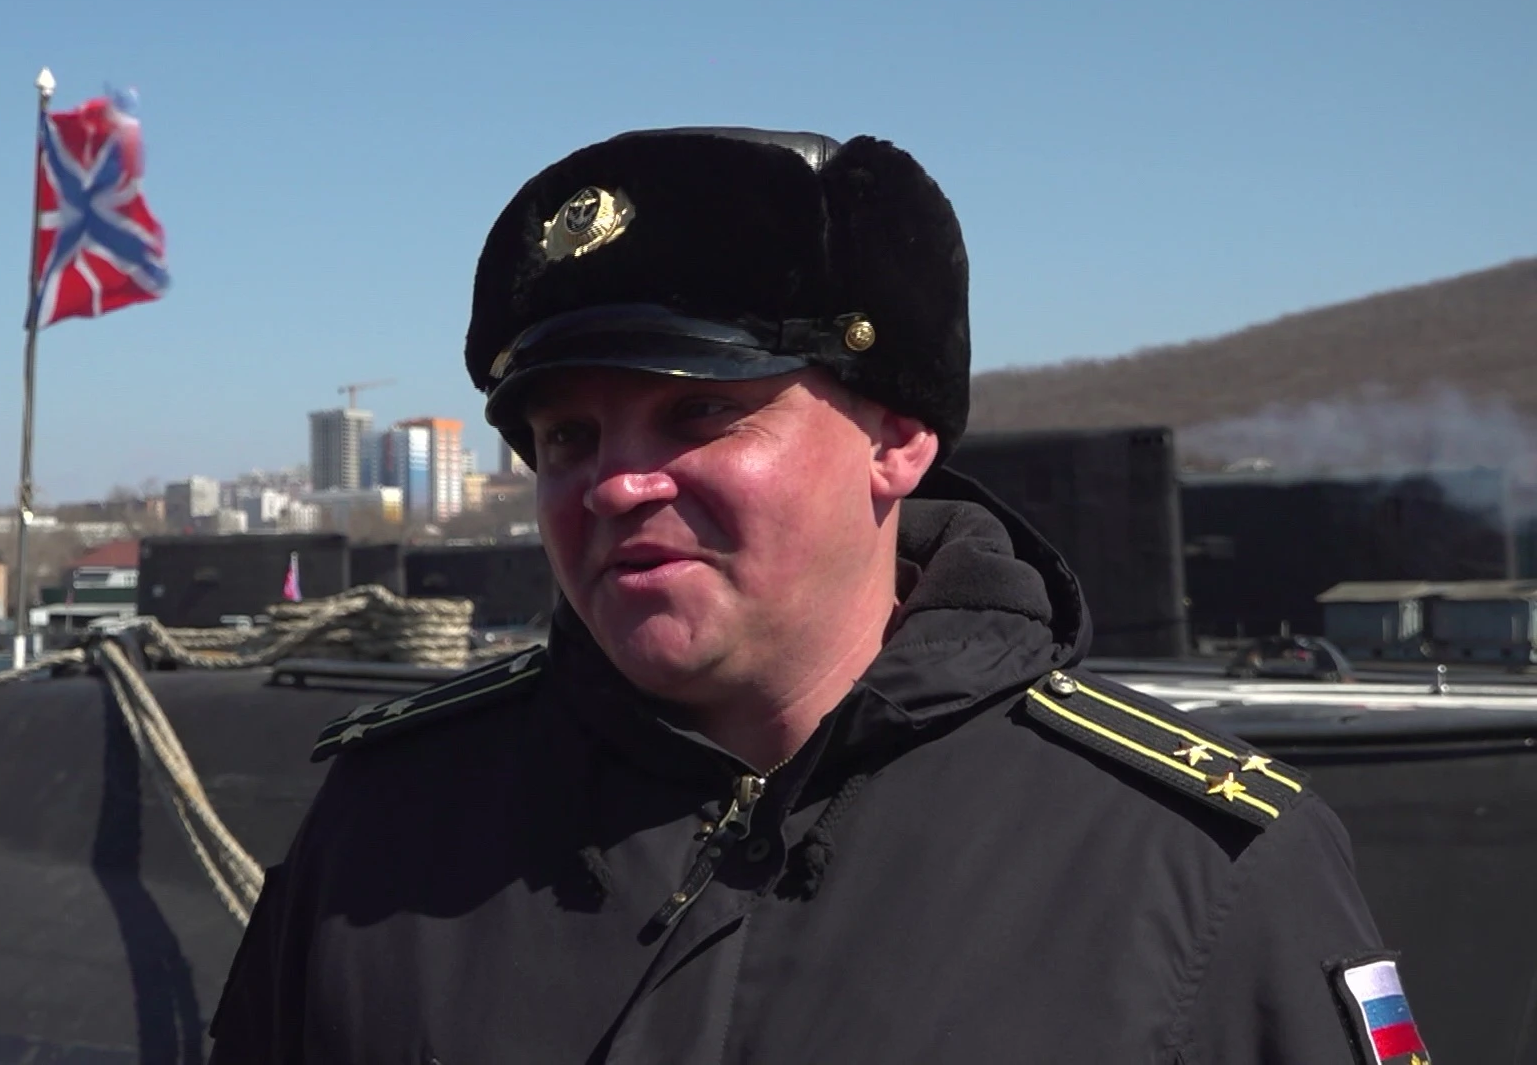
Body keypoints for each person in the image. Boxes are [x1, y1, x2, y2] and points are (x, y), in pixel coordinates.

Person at [208, 128, 1428, 1064]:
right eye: (568, 435)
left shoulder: (1193, 868)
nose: (617, 484)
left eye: (702, 412)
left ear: (898, 439)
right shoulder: (390, 825)